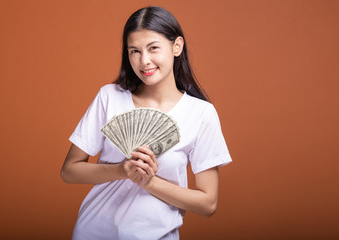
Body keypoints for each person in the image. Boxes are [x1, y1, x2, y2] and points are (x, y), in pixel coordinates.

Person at [61, 6, 232, 240]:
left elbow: (208, 203)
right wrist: (121, 170)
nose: (144, 61)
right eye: (134, 51)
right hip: (93, 231)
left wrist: (148, 182)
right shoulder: (109, 97)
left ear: (176, 46)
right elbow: (69, 171)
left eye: (153, 48)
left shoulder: (201, 114)